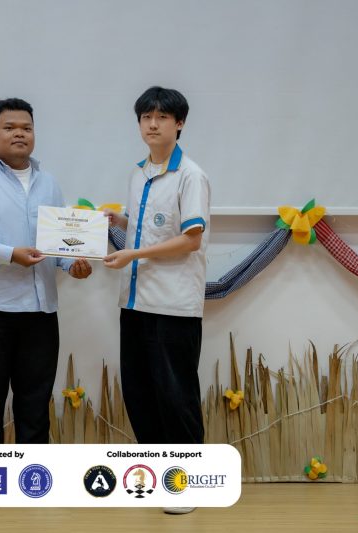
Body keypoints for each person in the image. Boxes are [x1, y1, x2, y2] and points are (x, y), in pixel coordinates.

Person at [0, 98, 92, 450]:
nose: (19, 134)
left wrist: (72, 265)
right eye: (9, 128)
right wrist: (9, 255)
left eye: (27, 128)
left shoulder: (49, 184)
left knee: (36, 407)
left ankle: (32, 476)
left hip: (41, 312)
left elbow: (56, 244)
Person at [104, 87, 211, 515]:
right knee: (140, 395)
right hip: (134, 303)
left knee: (175, 397)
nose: (152, 124)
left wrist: (132, 254)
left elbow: (190, 239)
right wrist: (120, 221)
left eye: (162, 117)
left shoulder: (191, 176)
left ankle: (185, 486)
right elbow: (148, 226)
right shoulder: (138, 173)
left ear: (179, 124)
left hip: (173, 306)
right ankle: (159, 479)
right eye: (146, 117)